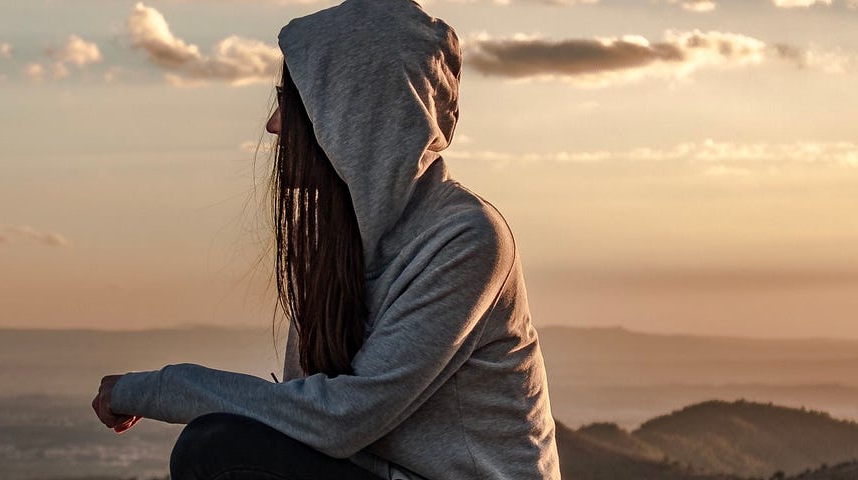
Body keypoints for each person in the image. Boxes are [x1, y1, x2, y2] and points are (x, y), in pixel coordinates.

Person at [89, 1, 560, 479]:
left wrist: (159, 388)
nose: (274, 125)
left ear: (353, 119)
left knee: (216, 448)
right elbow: (306, 424)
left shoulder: (465, 240)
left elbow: (340, 420)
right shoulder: (342, 248)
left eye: (293, 104)